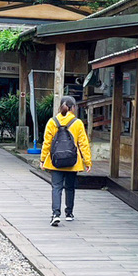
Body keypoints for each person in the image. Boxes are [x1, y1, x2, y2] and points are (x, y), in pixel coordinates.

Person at [40, 96, 92, 227]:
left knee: (56, 187)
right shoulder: (78, 123)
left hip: (55, 161)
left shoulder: (52, 121)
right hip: (72, 161)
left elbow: (47, 143)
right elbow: (83, 144)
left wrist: (42, 159)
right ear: (73, 108)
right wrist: (87, 162)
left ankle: (55, 214)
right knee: (70, 187)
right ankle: (69, 213)